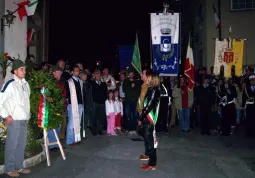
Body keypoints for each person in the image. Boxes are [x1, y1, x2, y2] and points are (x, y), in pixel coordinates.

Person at [0, 60, 31, 177]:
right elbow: (0, 101)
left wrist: (27, 116)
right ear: (15, 70)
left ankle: (18, 167)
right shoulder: (10, 84)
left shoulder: (25, 84)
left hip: (23, 119)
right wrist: (6, 115)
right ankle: (8, 168)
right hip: (14, 120)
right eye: (22, 69)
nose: (24, 71)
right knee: (11, 145)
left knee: (21, 145)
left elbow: (26, 102)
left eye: (25, 69)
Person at [138, 72, 161, 171]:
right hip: (146, 117)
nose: (146, 78)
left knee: (150, 142)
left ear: (152, 79)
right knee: (147, 138)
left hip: (149, 118)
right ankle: (150, 158)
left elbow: (149, 106)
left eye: (148, 77)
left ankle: (152, 164)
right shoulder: (151, 89)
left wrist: (141, 117)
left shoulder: (154, 90)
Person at [48, 66, 67, 151]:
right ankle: (52, 146)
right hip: (53, 108)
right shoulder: (50, 83)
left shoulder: (60, 83)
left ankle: (56, 143)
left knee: (58, 126)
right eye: (59, 72)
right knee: (52, 126)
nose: (60, 74)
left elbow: (64, 94)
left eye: (60, 72)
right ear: (54, 73)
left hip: (60, 107)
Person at [65, 65, 83, 145]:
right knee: (71, 123)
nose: (77, 72)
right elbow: (66, 94)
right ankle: (70, 140)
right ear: (72, 71)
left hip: (80, 104)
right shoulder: (69, 82)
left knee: (78, 122)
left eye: (78, 70)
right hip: (72, 105)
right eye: (76, 70)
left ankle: (77, 138)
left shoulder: (80, 81)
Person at [90, 69, 108, 135]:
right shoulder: (91, 84)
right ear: (94, 75)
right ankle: (93, 130)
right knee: (94, 116)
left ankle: (99, 130)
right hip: (94, 102)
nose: (98, 75)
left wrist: (104, 99)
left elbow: (106, 93)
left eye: (99, 74)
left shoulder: (103, 84)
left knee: (101, 117)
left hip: (102, 102)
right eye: (97, 74)